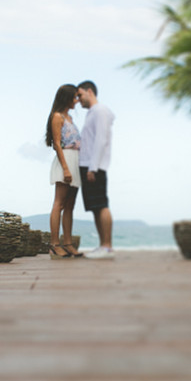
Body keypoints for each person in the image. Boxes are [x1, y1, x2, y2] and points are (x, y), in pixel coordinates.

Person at [44, 83, 84, 259]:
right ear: (67, 98)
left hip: (75, 160)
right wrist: (66, 168)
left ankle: (67, 242)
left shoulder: (69, 118)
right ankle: (54, 244)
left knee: (70, 205)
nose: (77, 100)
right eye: (74, 97)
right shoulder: (57, 117)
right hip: (65, 160)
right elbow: (57, 144)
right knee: (59, 203)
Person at [76, 80, 115, 259]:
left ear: (89, 91)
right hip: (88, 165)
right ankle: (102, 246)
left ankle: (107, 247)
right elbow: (91, 140)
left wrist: (93, 167)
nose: (78, 99)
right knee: (95, 207)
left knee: (101, 205)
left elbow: (101, 140)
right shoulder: (92, 113)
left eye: (80, 95)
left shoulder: (100, 111)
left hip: (95, 166)